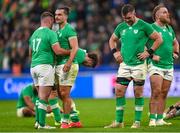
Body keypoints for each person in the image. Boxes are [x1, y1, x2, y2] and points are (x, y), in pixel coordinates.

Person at [104, 4, 162, 128]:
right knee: (119, 91)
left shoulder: (143, 25)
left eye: (129, 17)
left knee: (138, 92)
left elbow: (158, 39)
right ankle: (119, 122)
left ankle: (137, 122)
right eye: (124, 18)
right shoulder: (121, 26)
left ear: (134, 13)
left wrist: (149, 52)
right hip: (124, 64)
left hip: (139, 65)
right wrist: (115, 52)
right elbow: (112, 40)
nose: (127, 20)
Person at [29, 11, 70, 129]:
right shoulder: (50, 33)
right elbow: (57, 51)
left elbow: (30, 53)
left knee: (39, 97)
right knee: (44, 97)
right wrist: (71, 51)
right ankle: (42, 124)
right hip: (45, 67)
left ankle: (37, 122)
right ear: (50, 21)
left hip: (33, 67)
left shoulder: (34, 34)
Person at [148, 4, 179, 126]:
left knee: (164, 93)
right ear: (157, 15)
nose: (168, 14)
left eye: (167, 12)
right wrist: (151, 55)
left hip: (168, 65)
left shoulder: (169, 28)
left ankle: (160, 119)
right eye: (165, 12)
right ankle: (152, 119)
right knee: (156, 91)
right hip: (156, 65)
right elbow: (141, 45)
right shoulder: (150, 28)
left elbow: (175, 43)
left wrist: (176, 52)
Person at [54, 6, 80, 129]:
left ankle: (65, 122)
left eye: (59, 14)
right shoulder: (56, 30)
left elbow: (75, 47)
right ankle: (75, 119)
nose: (57, 16)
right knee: (60, 94)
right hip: (59, 64)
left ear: (66, 16)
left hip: (68, 64)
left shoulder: (69, 29)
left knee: (64, 93)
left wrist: (69, 62)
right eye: (56, 14)